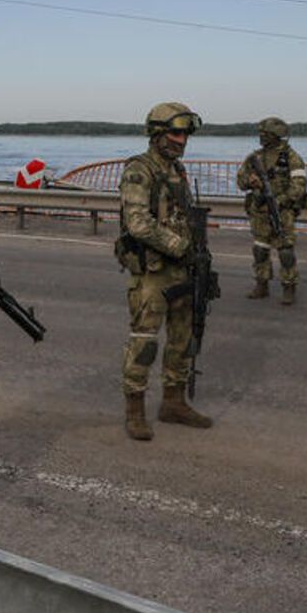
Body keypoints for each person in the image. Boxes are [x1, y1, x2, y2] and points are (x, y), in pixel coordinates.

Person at [114, 102, 213, 441]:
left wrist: (197, 254)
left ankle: (173, 402)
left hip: (182, 270)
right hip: (153, 272)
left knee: (183, 340)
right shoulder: (139, 170)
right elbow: (138, 223)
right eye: (175, 132)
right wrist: (180, 246)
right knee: (144, 343)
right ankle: (135, 411)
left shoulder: (177, 170)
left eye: (185, 133)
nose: (181, 139)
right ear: (156, 134)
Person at [237, 116, 307, 306]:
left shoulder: (292, 158)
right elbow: (240, 182)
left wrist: (280, 201)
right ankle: (261, 284)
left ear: (277, 135)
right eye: (260, 133)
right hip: (259, 211)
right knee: (260, 249)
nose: (262, 137)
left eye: (266, 134)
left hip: (282, 211)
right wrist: (250, 180)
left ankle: (289, 286)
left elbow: (299, 186)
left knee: (285, 251)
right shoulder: (255, 158)